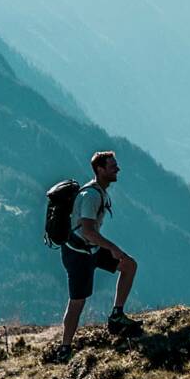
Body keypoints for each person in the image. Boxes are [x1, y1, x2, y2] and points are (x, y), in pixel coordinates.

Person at [59, 150, 140, 352]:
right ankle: (65, 348)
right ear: (100, 169)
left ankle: (117, 315)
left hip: (91, 249)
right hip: (78, 253)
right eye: (113, 167)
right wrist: (113, 248)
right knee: (77, 302)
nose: (117, 169)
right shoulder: (91, 195)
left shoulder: (99, 190)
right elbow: (87, 231)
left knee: (129, 265)